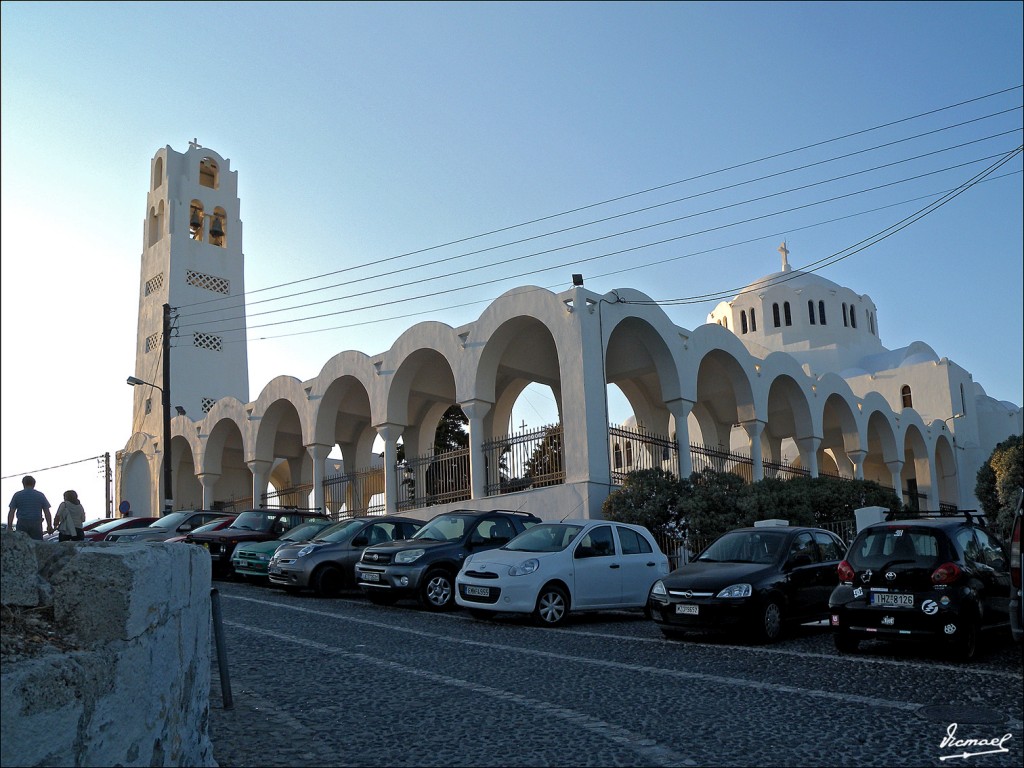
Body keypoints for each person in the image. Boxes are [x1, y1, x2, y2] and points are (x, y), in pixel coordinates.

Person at [7, 475, 52, 541]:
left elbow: (11, 512)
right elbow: (47, 512)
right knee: (37, 543)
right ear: (34, 484)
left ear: (23, 483)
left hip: (22, 522)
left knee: (22, 543)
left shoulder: (17, 495)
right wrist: (49, 526)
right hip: (36, 523)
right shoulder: (40, 495)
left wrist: (9, 526)